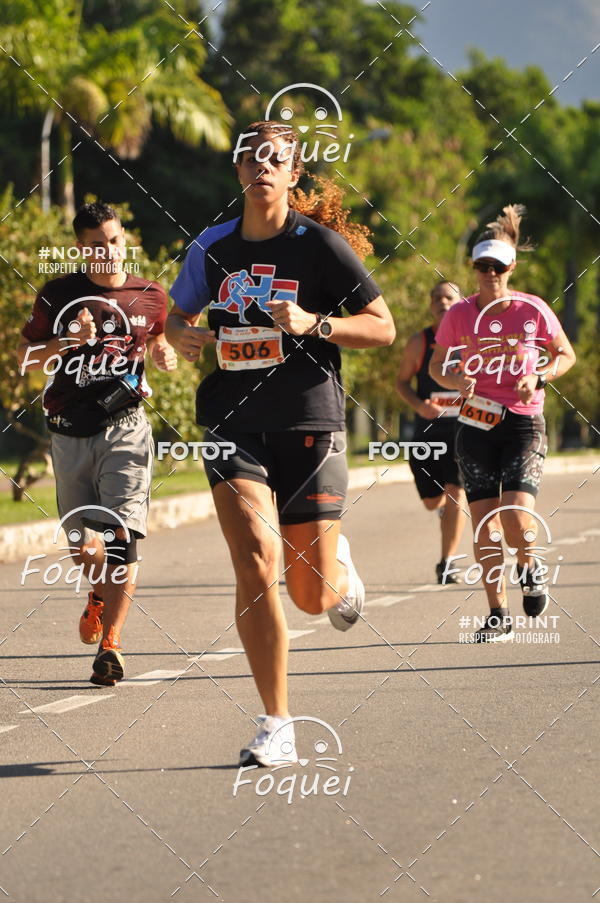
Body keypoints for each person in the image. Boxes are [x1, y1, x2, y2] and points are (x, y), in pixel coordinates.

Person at [166, 121, 395, 766]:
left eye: (276, 158)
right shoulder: (211, 247)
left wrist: (314, 323)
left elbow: (383, 327)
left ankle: (338, 566)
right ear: (239, 171)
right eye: (251, 157)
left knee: (311, 596)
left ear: (294, 174)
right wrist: (182, 335)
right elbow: (178, 317)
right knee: (255, 560)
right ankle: (277, 723)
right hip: (231, 421)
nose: (262, 166)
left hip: (307, 422)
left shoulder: (318, 247)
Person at [18, 202, 177, 683]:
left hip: (125, 426)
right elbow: (26, 358)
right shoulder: (59, 294)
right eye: (93, 245)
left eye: (111, 240)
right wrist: (67, 341)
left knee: (120, 538)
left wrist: (164, 349)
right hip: (68, 433)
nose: (105, 252)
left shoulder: (151, 295)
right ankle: (97, 594)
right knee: (83, 547)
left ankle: (112, 644)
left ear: (122, 238)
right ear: (79, 248)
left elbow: (157, 338)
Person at [429, 204, 576, 642]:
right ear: (473, 269)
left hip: (523, 424)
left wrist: (540, 375)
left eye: (497, 266)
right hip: (474, 425)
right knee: (485, 524)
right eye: (482, 266)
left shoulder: (533, 310)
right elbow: (437, 366)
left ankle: (530, 566)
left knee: (515, 518)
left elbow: (566, 354)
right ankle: (498, 613)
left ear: (510, 268)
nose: (490, 273)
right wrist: (454, 378)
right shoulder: (458, 314)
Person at [395, 280, 467, 584]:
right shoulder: (420, 342)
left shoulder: (473, 340)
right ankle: (441, 511)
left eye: (449, 297)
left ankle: (447, 562)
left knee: (456, 492)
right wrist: (419, 405)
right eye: (436, 297)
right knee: (431, 500)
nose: (442, 302)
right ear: (430, 304)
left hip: (463, 430)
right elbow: (401, 382)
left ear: (461, 303)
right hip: (427, 432)